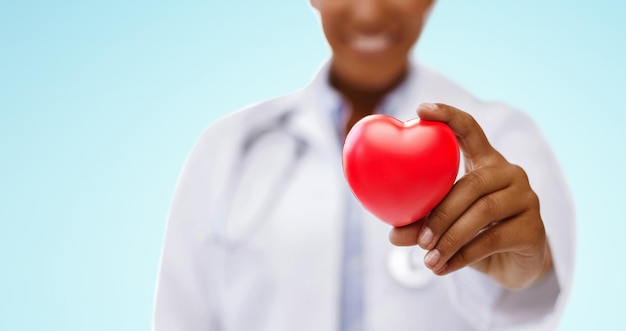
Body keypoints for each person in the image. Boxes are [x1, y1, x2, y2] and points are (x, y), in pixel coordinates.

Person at [153, 0, 575, 330]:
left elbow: (533, 306)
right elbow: (181, 316)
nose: (370, 13)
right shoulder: (228, 148)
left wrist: (527, 269)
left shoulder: (505, 137)